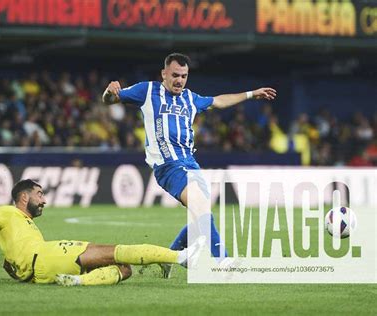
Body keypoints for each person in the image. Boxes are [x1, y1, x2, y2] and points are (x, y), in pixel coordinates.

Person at [102, 53, 276, 277]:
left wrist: (252, 94)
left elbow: (219, 100)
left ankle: (170, 256)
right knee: (201, 207)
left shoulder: (190, 98)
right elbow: (111, 100)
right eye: (175, 75)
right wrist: (109, 92)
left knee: (202, 215)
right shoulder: (147, 91)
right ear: (164, 73)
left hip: (191, 165)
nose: (179, 80)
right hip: (168, 166)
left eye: (184, 76)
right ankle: (222, 259)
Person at [0, 179, 202, 286]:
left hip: (42, 271)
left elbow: (10, 266)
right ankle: (181, 256)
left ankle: (77, 281)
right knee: (116, 250)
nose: (44, 200)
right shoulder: (9, 213)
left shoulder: (22, 225)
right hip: (47, 255)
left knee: (123, 269)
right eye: (40, 194)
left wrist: (15, 267)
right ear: (24, 197)